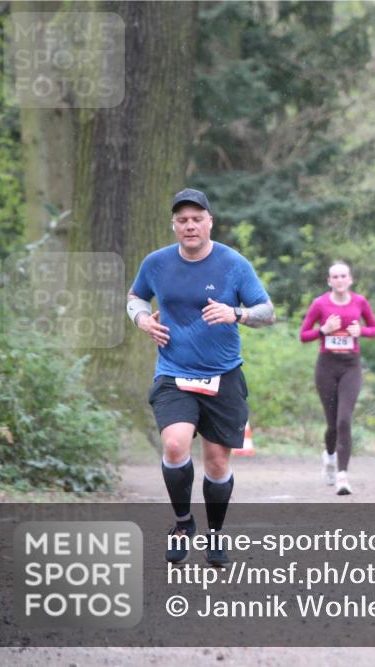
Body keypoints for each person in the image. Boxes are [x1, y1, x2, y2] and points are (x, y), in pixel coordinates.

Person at [127, 188, 276, 567]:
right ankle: (182, 525)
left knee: (216, 463)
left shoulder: (233, 264)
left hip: (222, 376)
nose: (190, 226)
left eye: (197, 219)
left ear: (209, 222)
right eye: (182, 220)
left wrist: (236, 314)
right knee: (175, 447)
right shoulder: (156, 263)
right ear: (174, 225)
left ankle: (215, 534)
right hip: (174, 373)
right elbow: (136, 297)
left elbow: (267, 311)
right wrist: (143, 319)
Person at [299, 261, 375, 495]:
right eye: (335, 276)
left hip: (350, 367)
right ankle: (330, 456)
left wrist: (361, 331)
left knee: (344, 420)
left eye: (343, 276)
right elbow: (304, 335)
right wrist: (323, 330)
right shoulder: (320, 304)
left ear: (350, 279)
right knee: (332, 424)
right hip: (326, 366)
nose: (339, 280)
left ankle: (343, 476)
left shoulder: (360, 302)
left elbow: (374, 329)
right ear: (329, 281)